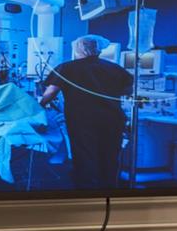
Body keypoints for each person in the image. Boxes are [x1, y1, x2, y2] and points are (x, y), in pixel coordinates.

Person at [39, 34, 133, 189]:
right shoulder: (115, 69)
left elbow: (50, 93)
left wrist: (39, 105)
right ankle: (109, 191)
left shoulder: (67, 68)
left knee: (85, 157)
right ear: (99, 49)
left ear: (78, 49)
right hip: (112, 120)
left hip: (82, 120)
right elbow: (128, 90)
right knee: (109, 157)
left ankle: (86, 192)